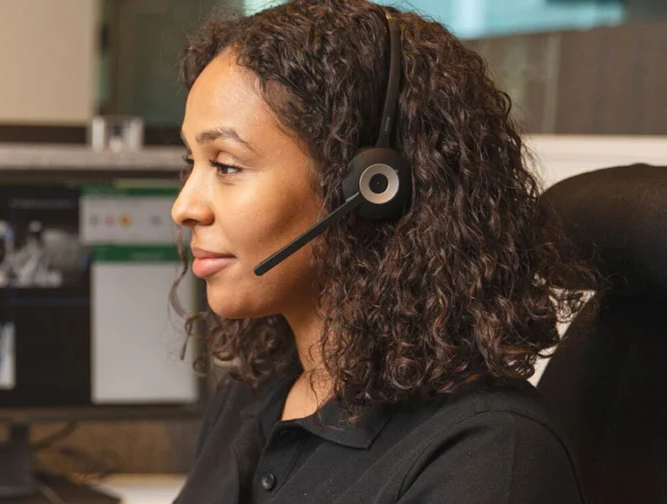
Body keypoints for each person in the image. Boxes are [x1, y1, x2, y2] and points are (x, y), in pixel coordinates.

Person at [170, 1, 598, 503]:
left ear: (372, 187)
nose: (185, 206)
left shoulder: (488, 457)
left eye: (226, 165)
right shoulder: (254, 390)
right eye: (191, 161)